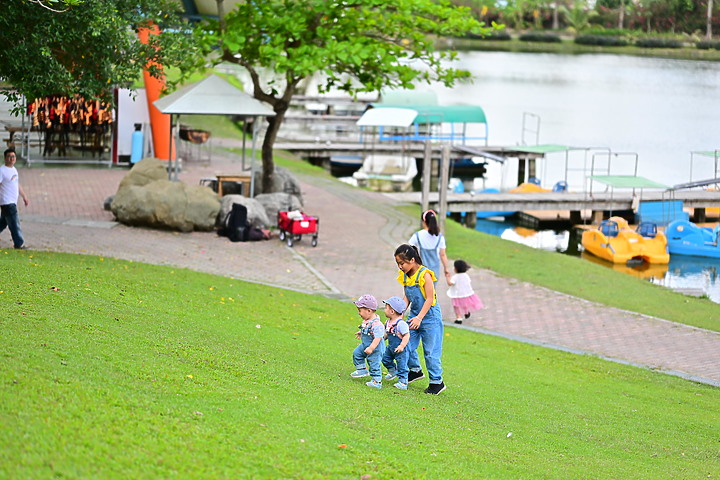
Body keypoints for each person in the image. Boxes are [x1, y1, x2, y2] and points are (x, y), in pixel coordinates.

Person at [394, 244, 446, 395]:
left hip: (430, 318)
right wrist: (400, 313)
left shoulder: (425, 275)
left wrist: (419, 318)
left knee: (430, 352)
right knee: (405, 343)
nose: (400, 266)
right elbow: (407, 296)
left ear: (412, 260)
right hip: (414, 316)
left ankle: (437, 382)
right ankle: (415, 370)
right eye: (398, 263)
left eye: (402, 263)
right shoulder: (405, 275)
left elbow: (429, 299)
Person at [349, 294, 386, 389]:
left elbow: (378, 337)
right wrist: (361, 332)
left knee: (373, 363)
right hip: (366, 345)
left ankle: (377, 381)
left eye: (360, 310)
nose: (359, 313)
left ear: (369, 311)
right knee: (357, 353)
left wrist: (371, 348)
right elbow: (366, 329)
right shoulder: (367, 320)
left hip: (375, 348)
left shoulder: (377, 324)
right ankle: (362, 370)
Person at [408, 209, 450, 285]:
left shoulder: (418, 235)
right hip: (434, 272)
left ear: (424, 221)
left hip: (421, 271)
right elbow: (442, 255)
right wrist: (446, 268)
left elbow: (409, 249)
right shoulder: (439, 237)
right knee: (431, 293)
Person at [0, 148, 29, 249]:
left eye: (13, 156)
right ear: (5, 158)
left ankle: (18, 243)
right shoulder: (2, 171)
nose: (11, 158)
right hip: (7, 202)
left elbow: (16, 184)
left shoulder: (14, 170)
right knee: (14, 223)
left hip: (12, 201)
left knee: (3, 222)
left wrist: (24, 196)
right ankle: (19, 244)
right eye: (9, 156)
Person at [380, 296, 410, 390]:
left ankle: (403, 382)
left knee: (402, 365)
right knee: (385, 358)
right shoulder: (388, 322)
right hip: (391, 347)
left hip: (401, 350)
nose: (384, 310)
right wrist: (380, 339)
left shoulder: (401, 324)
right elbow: (386, 333)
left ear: (392, 311)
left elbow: (406, 335)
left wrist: (402, 346)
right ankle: (393, 371)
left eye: (386, 308)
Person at [447, 259, 484, 324]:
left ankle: (459, 318)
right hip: (466, 293)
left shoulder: (455, 277)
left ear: (456, 269)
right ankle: (466, 312)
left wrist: (447, 277)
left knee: (456, 306)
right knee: (465, 304)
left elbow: (450, 283)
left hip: (457, 295)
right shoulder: (466, 276)